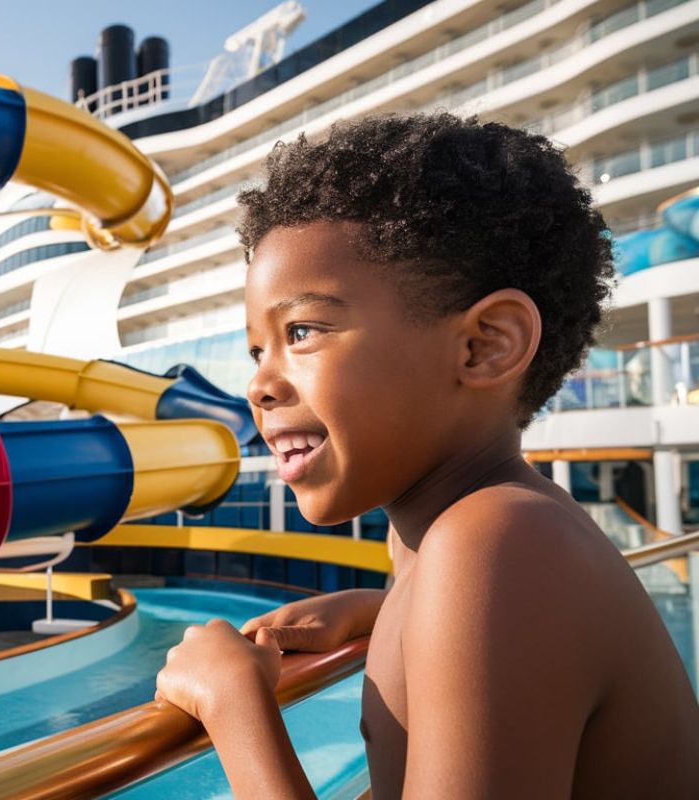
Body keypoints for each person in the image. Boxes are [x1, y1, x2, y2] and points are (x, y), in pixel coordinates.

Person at [153, 113, 699, 799]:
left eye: (303, 331)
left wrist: (234, 703)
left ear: (485, 346)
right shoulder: (453, 541)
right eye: (258, 348)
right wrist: (389, 610)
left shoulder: (496, 543)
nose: (259, 384)